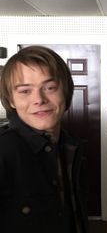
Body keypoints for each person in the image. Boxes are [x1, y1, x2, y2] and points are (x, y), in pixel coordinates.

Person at [0, 46, 88, 233]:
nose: (39, 99)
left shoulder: (70, 146)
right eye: (25, 91)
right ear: (12, 100)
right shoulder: (3, 150)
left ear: (65, 91)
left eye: (49, 88)